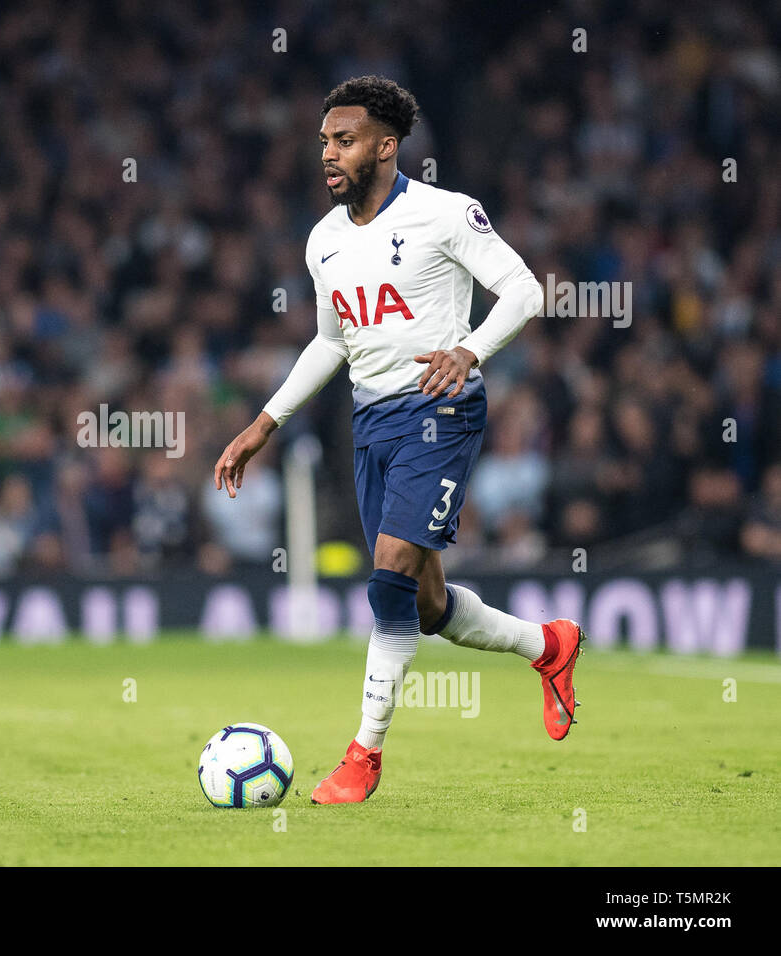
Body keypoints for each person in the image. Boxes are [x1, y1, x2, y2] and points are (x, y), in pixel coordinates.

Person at [213, 76, 582, 804]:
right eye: (323, 141)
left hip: (438, 409)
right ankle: (548, 646)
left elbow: (524, 291)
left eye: (343, 141)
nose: (328, 154)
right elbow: (329, 342)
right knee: (421, 602)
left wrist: (469, 351)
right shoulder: (323, 242)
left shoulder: (446, 214)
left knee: (386, 574)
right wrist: (265, 423)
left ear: (386, 147)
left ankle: (363, 755)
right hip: (371, 421)